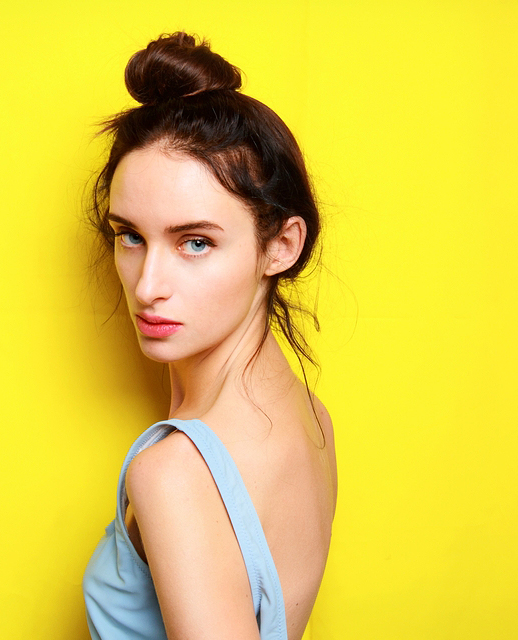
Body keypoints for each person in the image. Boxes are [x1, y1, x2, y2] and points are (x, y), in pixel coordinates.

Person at [82, 32, 337, 640]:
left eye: (195, 242)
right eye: (130, 236)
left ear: (281, 246)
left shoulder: (174, 474)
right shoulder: (312, 417)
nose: (148, 285)